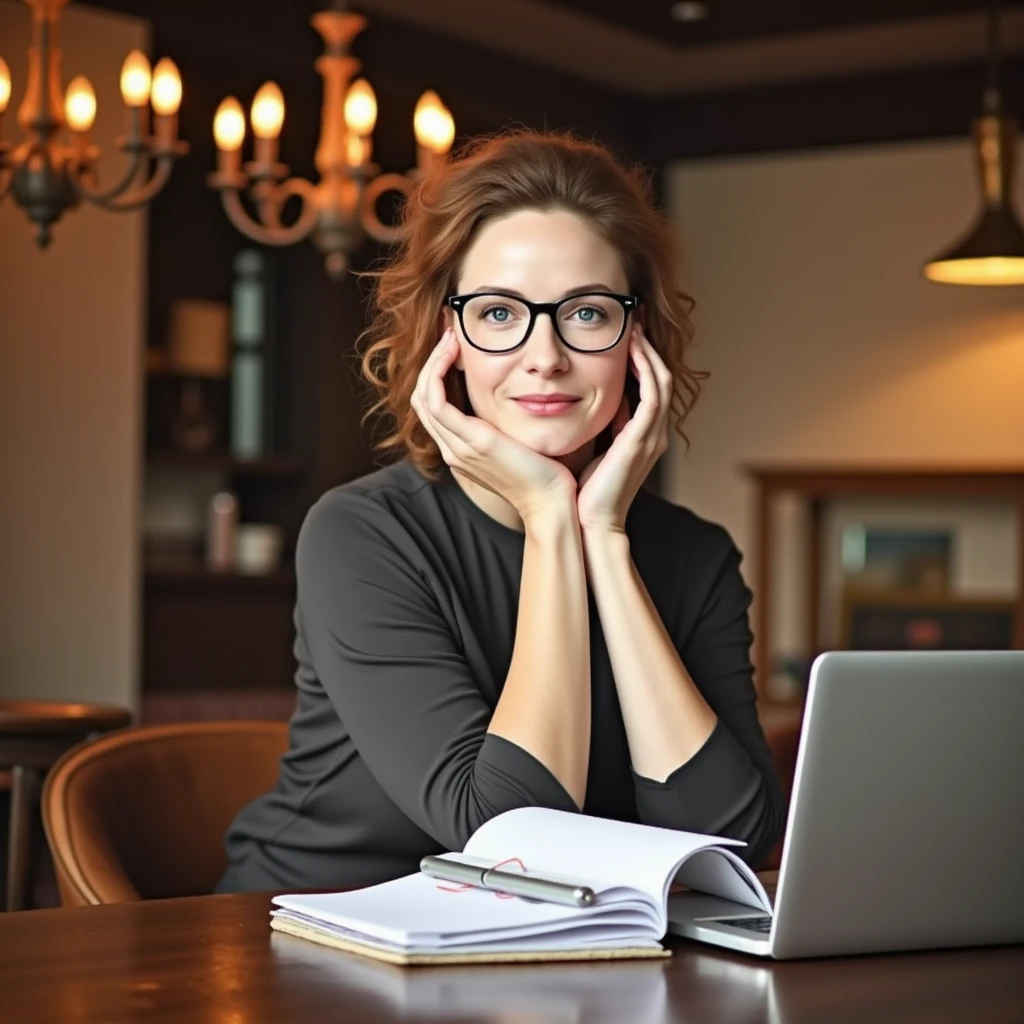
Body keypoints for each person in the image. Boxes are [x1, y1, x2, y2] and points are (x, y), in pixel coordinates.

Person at [216, 130, 784, 894]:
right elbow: (511, 839)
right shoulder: (361, 534)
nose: (544, 354)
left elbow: (732, 846)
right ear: (446, 339)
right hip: (312, 935)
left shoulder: (695, 556)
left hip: (553, 956)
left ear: (635, 335)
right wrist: (552, 516)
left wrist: (604, 540)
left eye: (585, 313)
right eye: (498, 313)